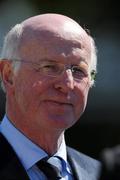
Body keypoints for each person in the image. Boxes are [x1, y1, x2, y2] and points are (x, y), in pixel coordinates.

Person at [0, 13, 101, 180]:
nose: (67, 84)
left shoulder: (99, 174)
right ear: (9, 74)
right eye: (50, 67)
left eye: (78, 70)